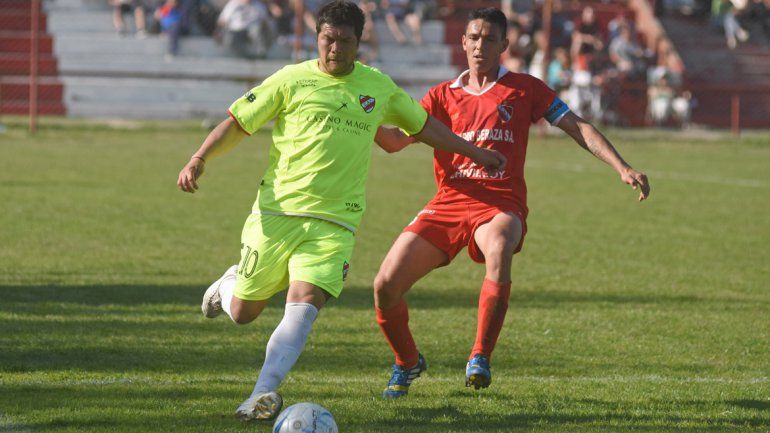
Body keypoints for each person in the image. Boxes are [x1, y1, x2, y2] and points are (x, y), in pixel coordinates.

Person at [176, 0, 505, 422]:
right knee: (243, 312)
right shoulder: (291, 80)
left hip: (336, 222)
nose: (335, 49)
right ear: (317, 38)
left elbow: (423, 127)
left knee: (304, 304)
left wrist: (473, 151)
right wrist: (199, 158)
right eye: (328, 39)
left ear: (358, 42)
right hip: (276, 214)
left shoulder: (377, 86)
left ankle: (260, 395)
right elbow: (239, 122)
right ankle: (228, 285)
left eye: (345, 41)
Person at [372, 7, 650, 398]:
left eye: (489, 39)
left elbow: (576, 125)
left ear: (504, 45)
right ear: (463, 42)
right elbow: (394, 142)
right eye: (473, 37)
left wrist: (621, 166)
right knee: (385, 285)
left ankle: (479, 357)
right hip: (449, 202)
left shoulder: (525, 89)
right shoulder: (441, 96)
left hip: (500, 204)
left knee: (499, 244)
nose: (479, 45)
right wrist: (361, 117)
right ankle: (407, 361)